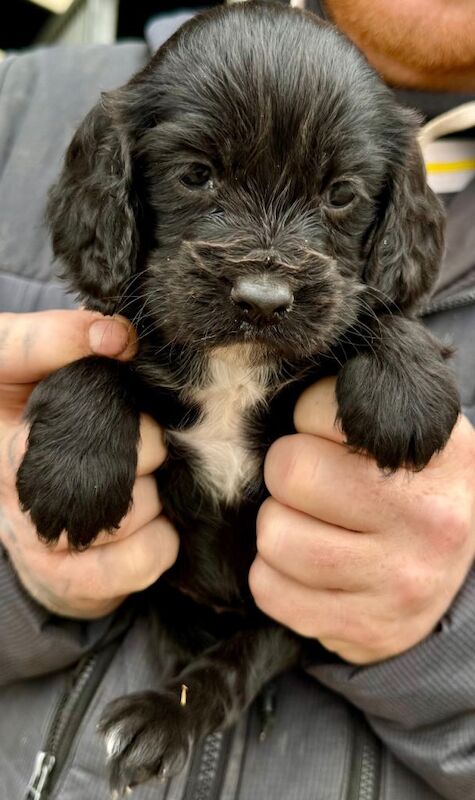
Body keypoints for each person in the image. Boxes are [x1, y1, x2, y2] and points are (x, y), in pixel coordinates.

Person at [0, 1, 474, 798]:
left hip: (263, 649)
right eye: (197, 178)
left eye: (336, 200)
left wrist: (446, 636)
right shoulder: (16, 104)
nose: (263, 280)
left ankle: (204, 696)